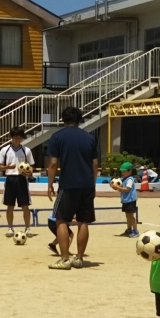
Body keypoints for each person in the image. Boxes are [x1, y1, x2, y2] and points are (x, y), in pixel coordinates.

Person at [47, 107, 98, 270]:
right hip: (87, 184)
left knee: (61, 219)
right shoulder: (89, 138)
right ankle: (79, 258)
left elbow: (53, 163)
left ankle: (64, 259)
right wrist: (93, 184)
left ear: (63, 119)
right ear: (79, 119)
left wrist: (50, 183)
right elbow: (95, 165)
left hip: (68, 184)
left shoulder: (57, 137)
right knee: (83, 221)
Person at [0, 127, 35, 238]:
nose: (18, 139)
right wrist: (8, 167)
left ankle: (27, 228)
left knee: (25, 205)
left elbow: (31, 166)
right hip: (10, 179)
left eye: (20, 137)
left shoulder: (26, 150)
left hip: (22, 179)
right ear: (11, 137)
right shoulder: (5, 150)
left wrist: (28, 172)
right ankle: (10, 228)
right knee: (10, 205)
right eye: (16, 137)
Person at [110, 162, 139, 238]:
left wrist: (118, 187)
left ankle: (135, 231)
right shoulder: (123, 179)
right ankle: (129, 229)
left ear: (130, 171)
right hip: (126, 200)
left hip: (130, 200)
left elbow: (127, 189)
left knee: (131, 216)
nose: (122, 173)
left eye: (124, 171)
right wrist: (115, 187)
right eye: (122, 171)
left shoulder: (130, 179)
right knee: (127, 215)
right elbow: (121, 189)